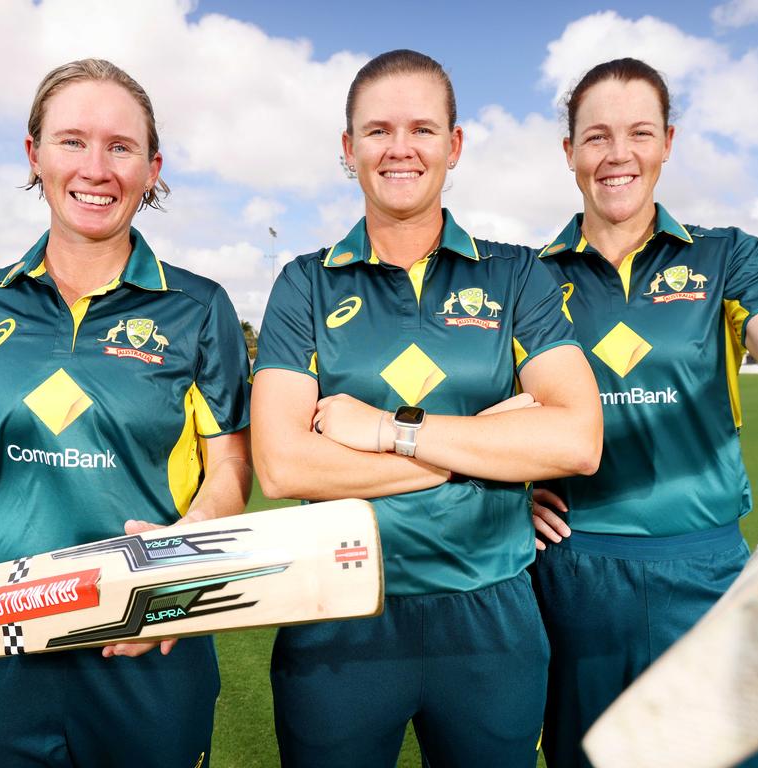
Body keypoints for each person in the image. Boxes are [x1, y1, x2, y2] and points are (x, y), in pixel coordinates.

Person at [530, 57, 758, 768]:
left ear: (667, 142)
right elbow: (488, 414)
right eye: (597, 135)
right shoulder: (528, 276)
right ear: (570, 150)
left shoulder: (727, 256)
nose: (619, 155)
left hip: (702, 571)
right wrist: (504, 497)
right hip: (573, 574)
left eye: (639, 132)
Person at [0, 59, 252, 767]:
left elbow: (231, 465)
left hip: (145, 632)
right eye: (72, 140)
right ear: (34, 155)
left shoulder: (199, 308)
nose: (97, 166)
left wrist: (183, 556)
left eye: (121, 146)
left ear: (152, 169)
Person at [251, 49, 602, 768]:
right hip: (336, 615)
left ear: (455, 145)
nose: (400, 148)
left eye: (422, 129)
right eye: (377, 131)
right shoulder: (305, 284)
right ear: (349, 151)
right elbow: (283, 465)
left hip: (491, 616)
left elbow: (576, 439)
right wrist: (484, 451)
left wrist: (387, 432)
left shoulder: (517, 274)